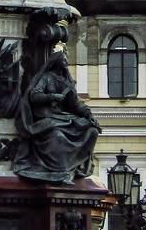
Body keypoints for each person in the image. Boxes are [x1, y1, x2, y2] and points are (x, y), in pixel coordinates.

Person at [12, 52, 99, 183]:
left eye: (66, 60)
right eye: (63, 60)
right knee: (57, 136)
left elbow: (76, 104)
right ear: (56, 62)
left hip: (63, 117)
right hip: (48, 117)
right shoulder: (46, 77)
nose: (66, 62)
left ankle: (75, 166)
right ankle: (60, 170)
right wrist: (52, 97)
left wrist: (88, 114)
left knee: (92, 131)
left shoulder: (67, 82)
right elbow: (34, 95)